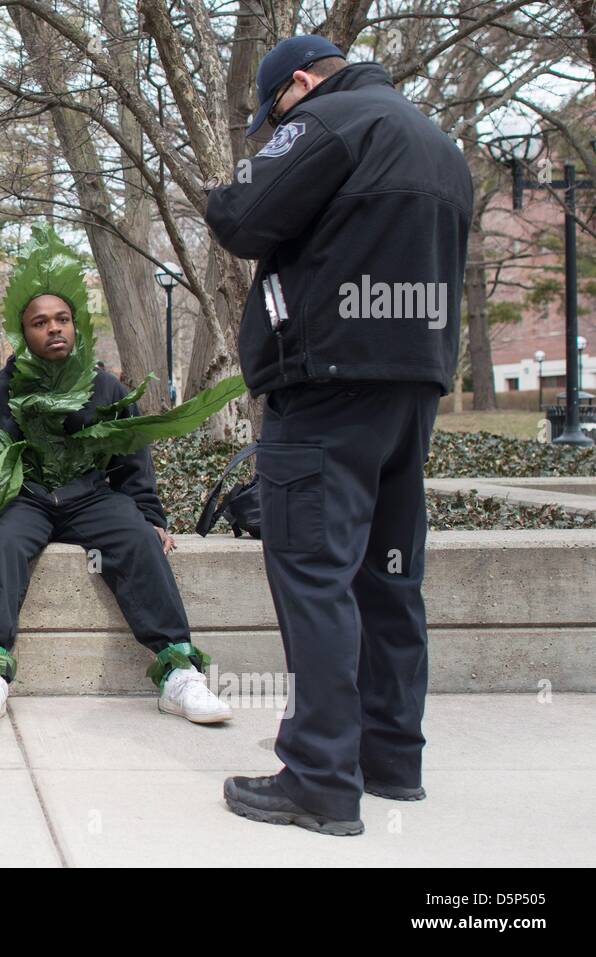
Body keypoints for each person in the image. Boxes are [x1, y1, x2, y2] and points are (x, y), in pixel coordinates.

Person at [204, 37, 473, 835]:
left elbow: (239, 214)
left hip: (326, 387)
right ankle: (392, 756)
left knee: (315, 576)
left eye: (271, 113)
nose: (273, 125)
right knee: (387, 578)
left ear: (296, 85)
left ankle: (320, 775)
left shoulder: (331, 119)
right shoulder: (440, 145)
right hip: (411, 386)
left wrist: (242, 178)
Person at [0, 226, 232, 728]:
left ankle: (179, 671)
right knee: (2, 544)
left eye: (62, 319)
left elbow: (132, 459)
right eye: (40, 323)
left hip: (91, 498)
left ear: (74, 326)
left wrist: (151, 516)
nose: (54, 329)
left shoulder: (104, 385)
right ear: (22, 331)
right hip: (24, 500)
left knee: (137, 540)